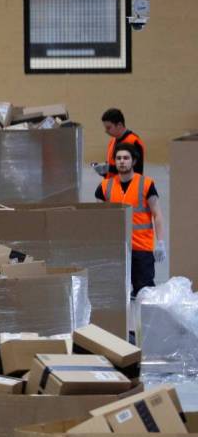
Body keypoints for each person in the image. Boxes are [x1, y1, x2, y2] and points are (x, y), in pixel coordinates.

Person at [96, 145, 165, 297]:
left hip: (142, 248)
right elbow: (100, 219)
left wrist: (160, 243)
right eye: (119, 158)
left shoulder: (146, 184)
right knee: (118, 293)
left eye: (126, 158)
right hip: (117, 248)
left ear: (133, 161)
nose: (122, 161)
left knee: (144, 292)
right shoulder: (105, 187)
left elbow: (157, 214)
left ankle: (145, 320)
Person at [97, 108, 145, 177]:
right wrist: (103, 172)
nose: (106, 131)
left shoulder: (133, 141)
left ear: (119, 125)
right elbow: (112, 169)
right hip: (111, 185)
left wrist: (109, 168)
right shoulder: (112, 141)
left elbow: (136, 171)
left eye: (108, 128)